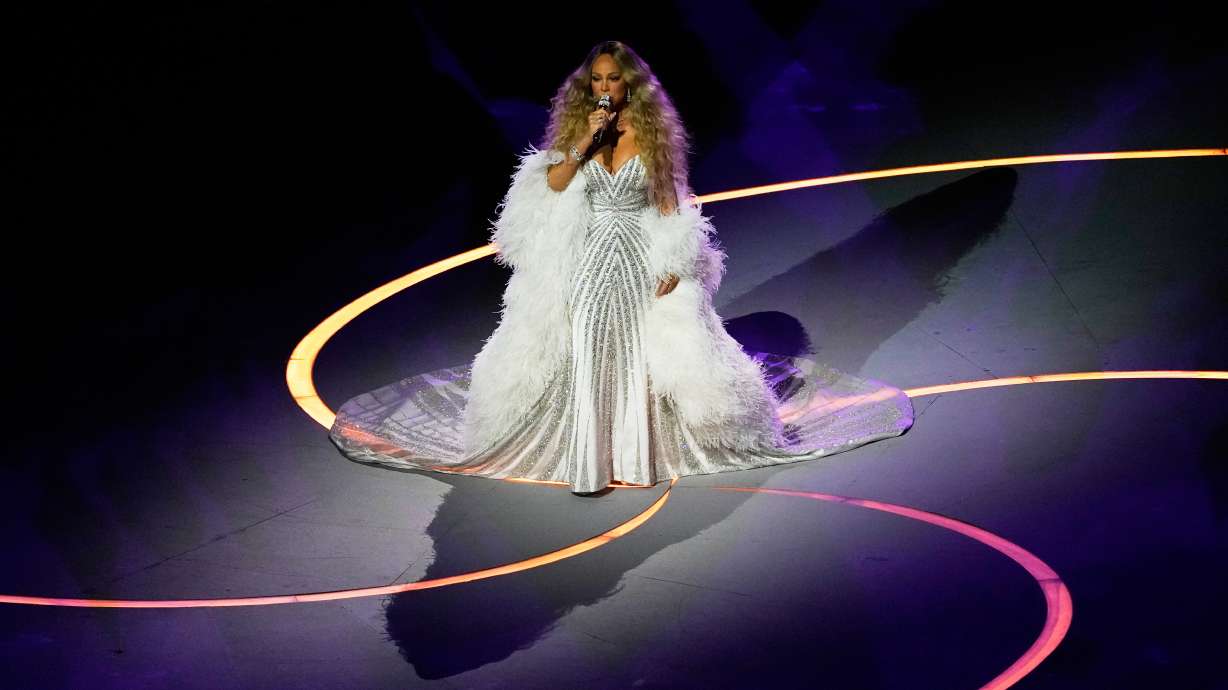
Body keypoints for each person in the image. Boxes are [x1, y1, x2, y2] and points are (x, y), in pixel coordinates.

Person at [328, 41, 914, 494]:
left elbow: (671, 201)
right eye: (598, 80)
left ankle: (636, 452)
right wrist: (585, 140)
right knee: (583, 342)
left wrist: (676, 260)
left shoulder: (653, 135)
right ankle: (583, 454)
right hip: (584, 255)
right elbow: (552, 184)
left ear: (631, 85)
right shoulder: (576, 131)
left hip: (636, 252)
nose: (606, 87)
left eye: (615, 80)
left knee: (636, 346)